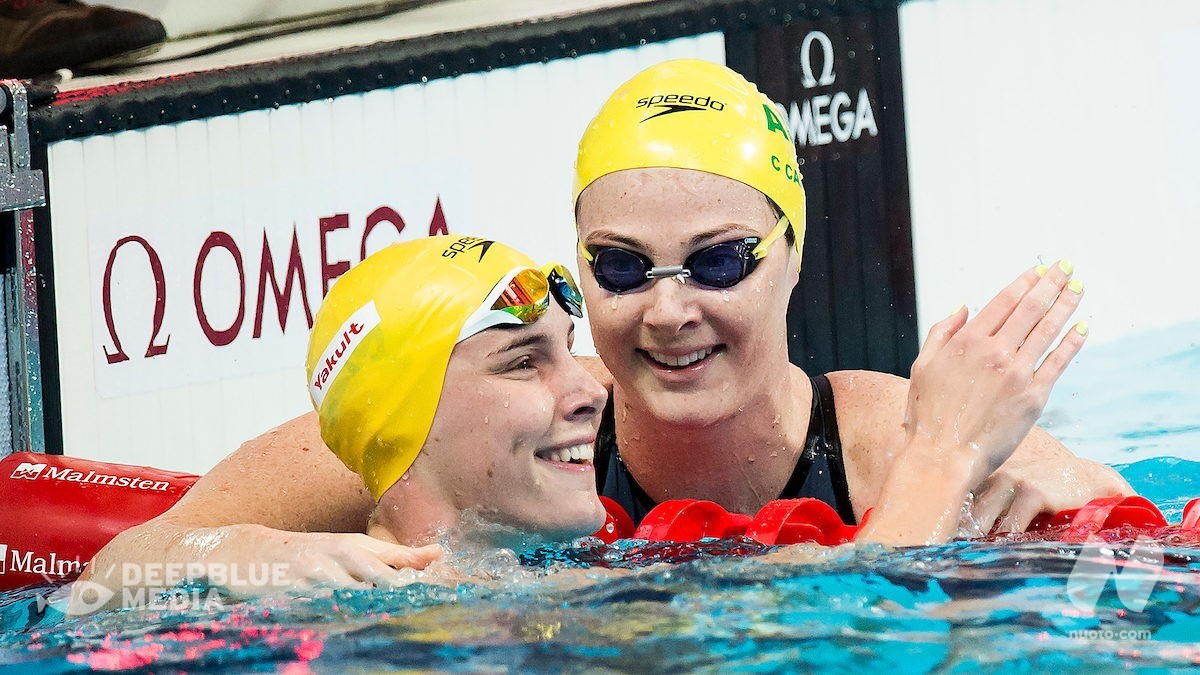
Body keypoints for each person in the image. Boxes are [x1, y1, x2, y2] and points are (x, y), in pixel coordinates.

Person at [81, 59, 1127, 586]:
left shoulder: (906, 443)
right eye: (621, 269)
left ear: (795, 255)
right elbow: (132, 566)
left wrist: (962, 484)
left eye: (719, 261)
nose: (668, 313)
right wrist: (266, 556)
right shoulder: (485, 433)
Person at [71, 235, 608, 611]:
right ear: (410, 419)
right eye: (521, 362)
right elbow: (95, 594)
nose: (590, 390)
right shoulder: (335, 613)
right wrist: (237, 552)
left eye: (567, 348)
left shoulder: (574, 574)